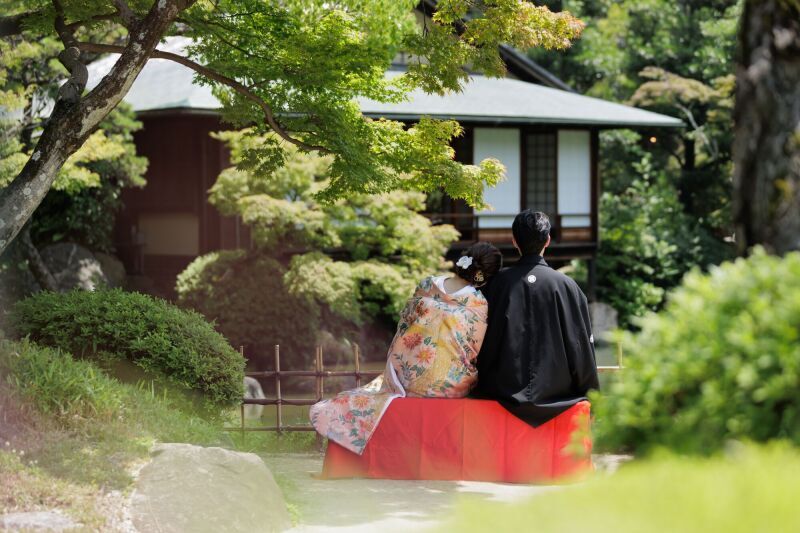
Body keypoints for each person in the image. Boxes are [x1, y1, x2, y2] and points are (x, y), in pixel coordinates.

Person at [310, 242, 503, 454]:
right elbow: (472, 349)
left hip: (406, 377)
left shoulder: (428, 284)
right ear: (485, 277)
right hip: (448, 386)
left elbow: (404, 324)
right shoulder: (477, 302)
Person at [471, 210, 599, 426]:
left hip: (499, 396)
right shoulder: (569, 287)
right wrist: (592, 394)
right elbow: (581, 347)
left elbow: (478, 342)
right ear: (547, 240)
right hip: (558, 398)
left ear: (514, 241)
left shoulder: (495, 285)